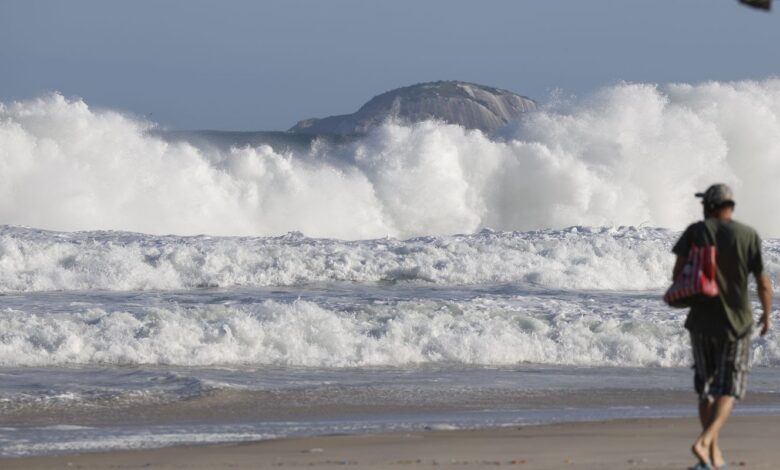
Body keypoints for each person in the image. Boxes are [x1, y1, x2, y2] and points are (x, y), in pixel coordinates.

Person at [671, 183, 772, 470]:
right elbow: (763, 282)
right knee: (731, 387)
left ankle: (712, 457)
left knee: (706, 388)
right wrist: (766, 316)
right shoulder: (747, 235)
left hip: (701, 322)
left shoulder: (696, 232)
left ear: (710, 206)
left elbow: (677, 274)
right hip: (736, 324)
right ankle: (706, 443)